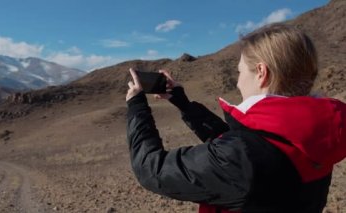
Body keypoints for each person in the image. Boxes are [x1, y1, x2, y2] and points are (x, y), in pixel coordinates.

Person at [125, 23, 346, 213]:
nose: (238, 82)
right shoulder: (316, 137)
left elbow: (152, 169)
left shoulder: (243, 159)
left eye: (240, 72)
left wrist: (136, 105)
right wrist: (182, 102)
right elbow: (244, 145)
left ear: (261, 72)